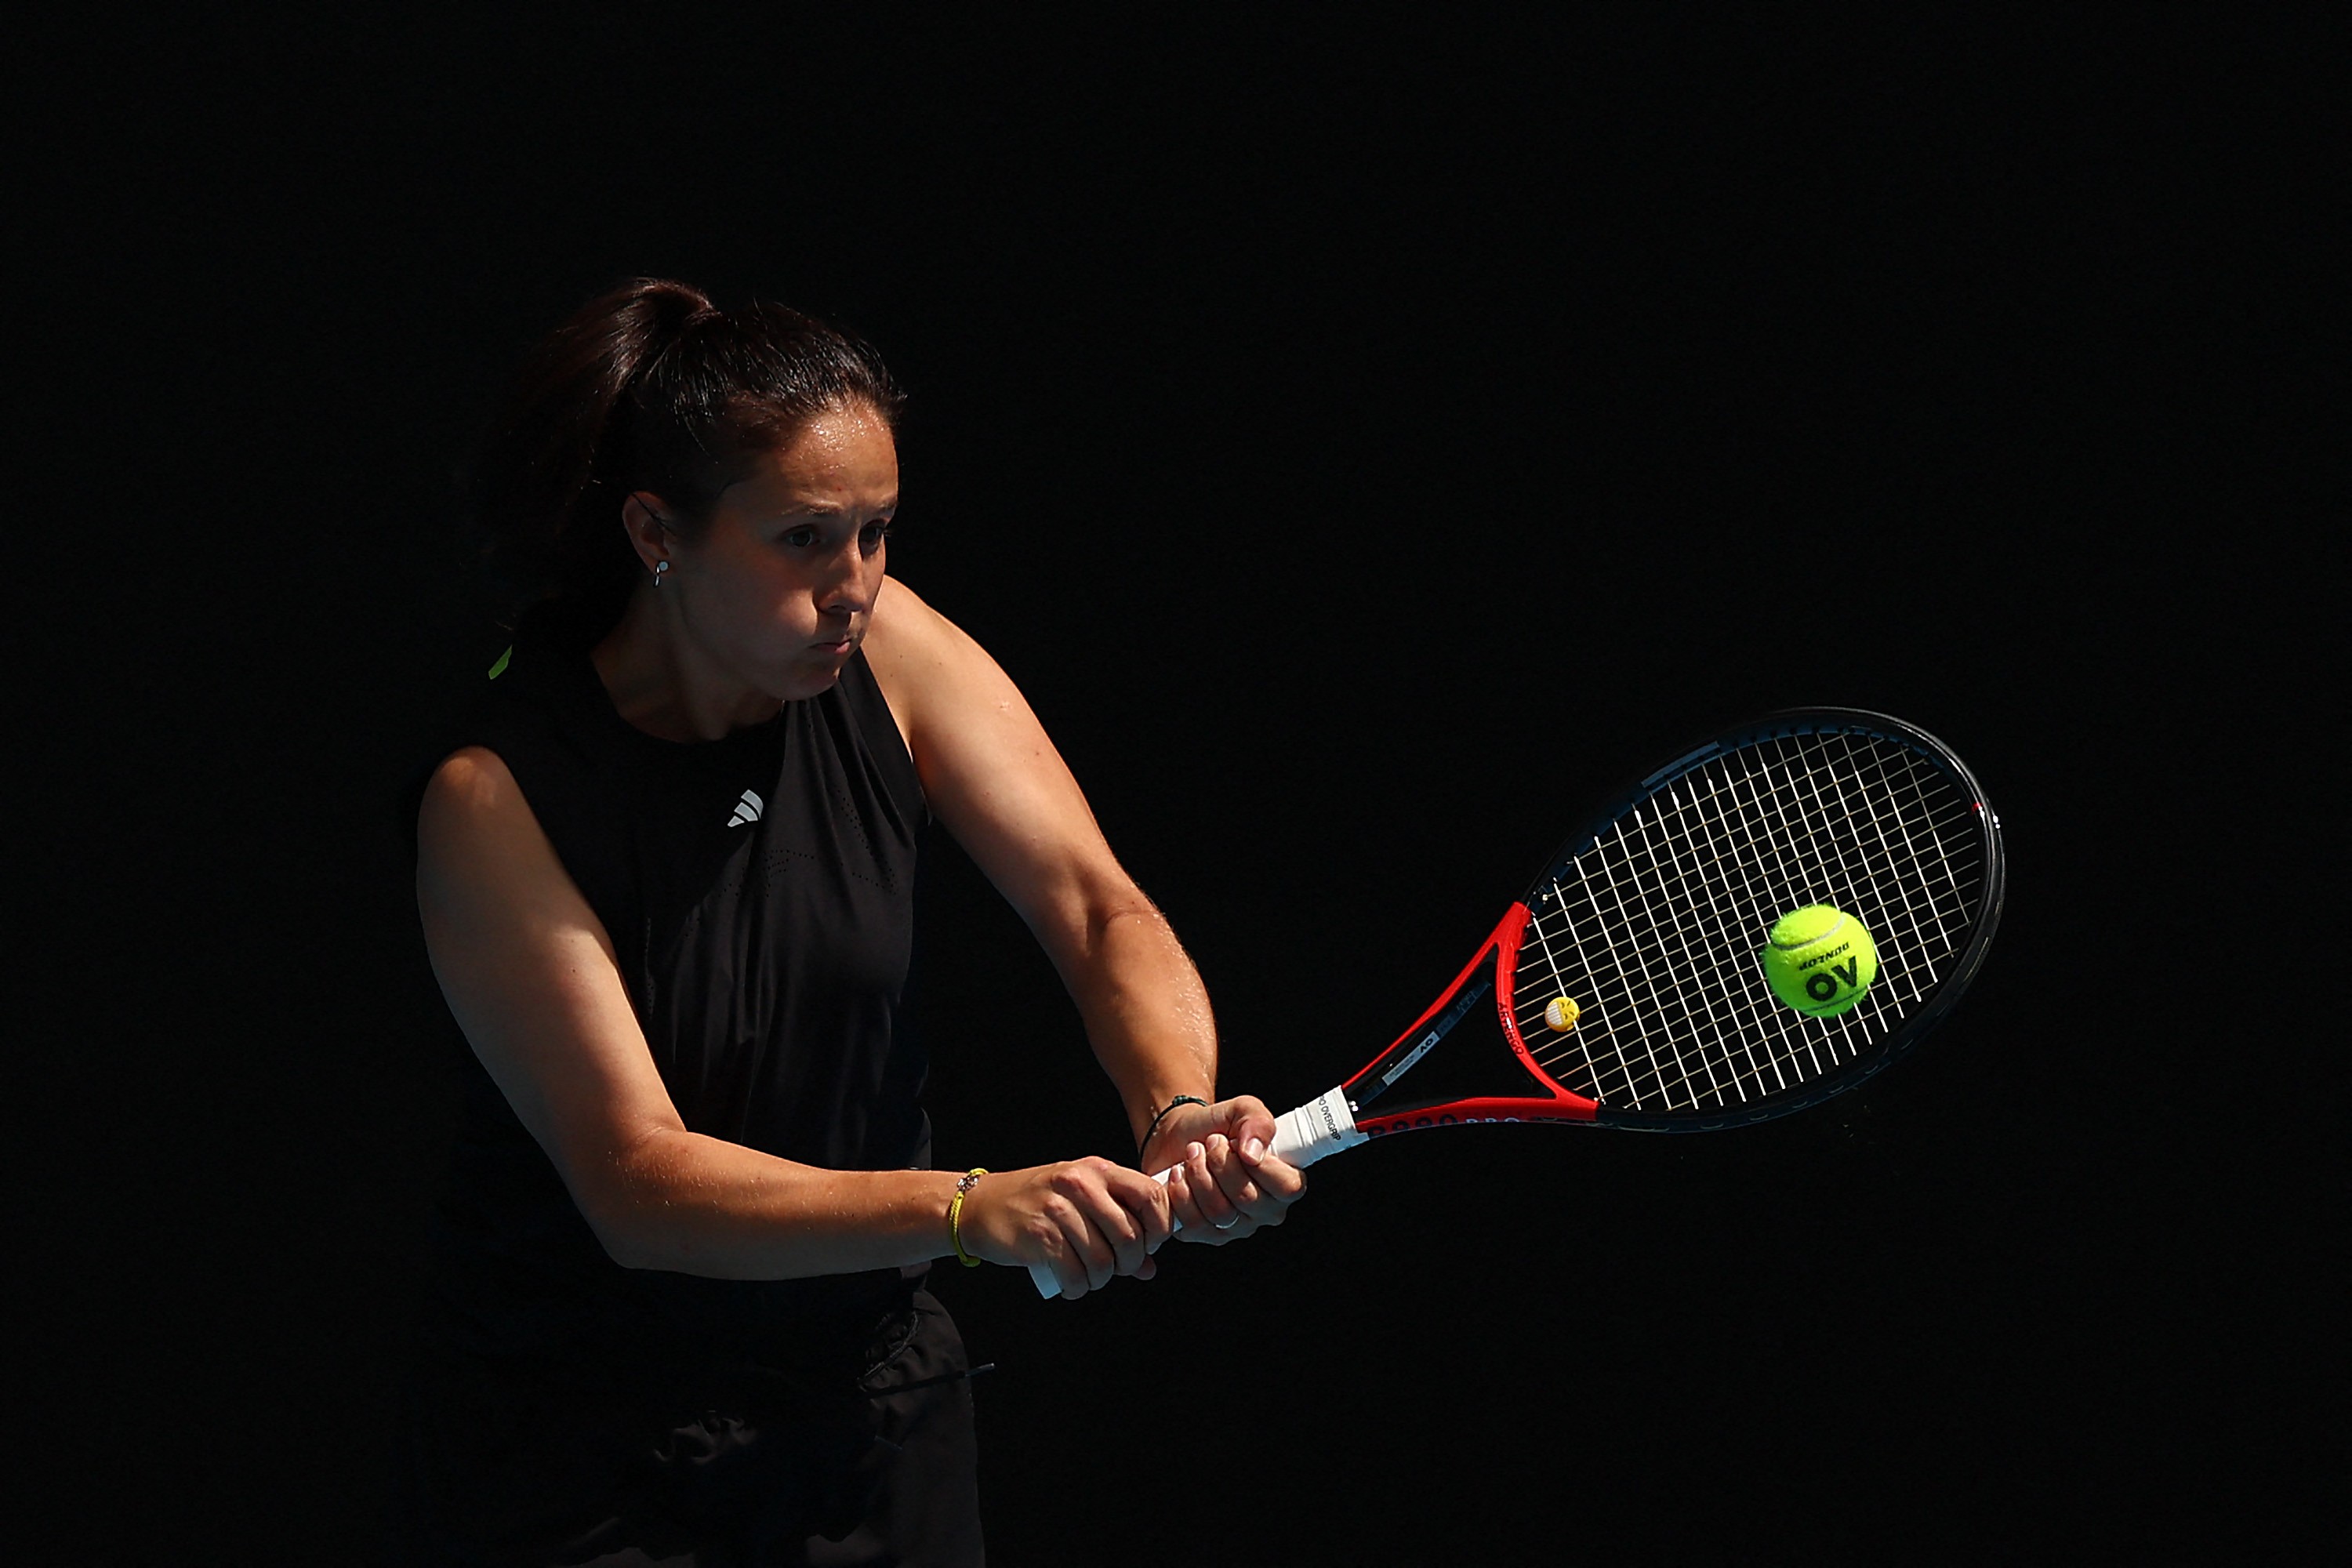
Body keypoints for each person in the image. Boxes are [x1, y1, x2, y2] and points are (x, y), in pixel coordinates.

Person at [381, 278, 1305, 1565]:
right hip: (585, 1452)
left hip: (869, 1411)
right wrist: (966, 1207)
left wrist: (1176, 1107)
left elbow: (1098, 911)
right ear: (659, 531)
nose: (854, 583)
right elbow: (638, 1182)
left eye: (876, 532)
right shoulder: (499, 800)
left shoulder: (889, 652)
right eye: (805, 538)